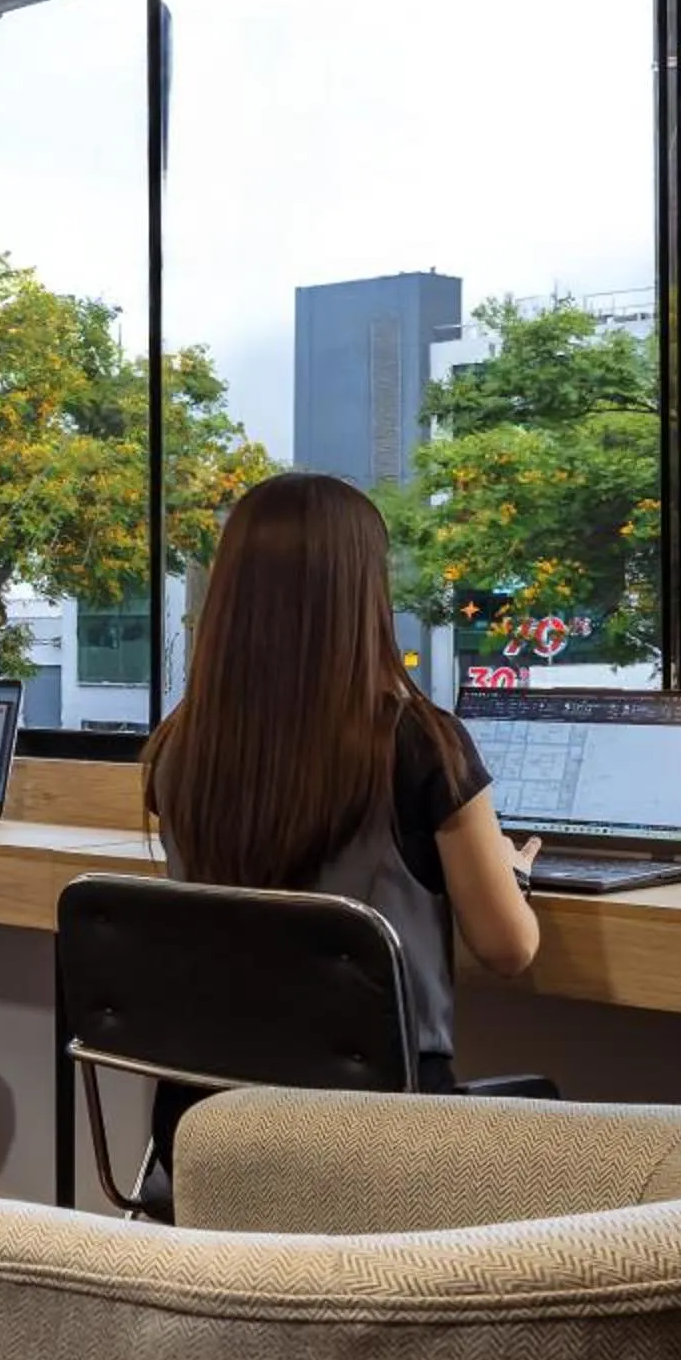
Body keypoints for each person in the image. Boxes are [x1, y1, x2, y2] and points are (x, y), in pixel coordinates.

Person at [138, 471, 544, 1185]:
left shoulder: (181, 747)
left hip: (205, 1136)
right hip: (377, 1140)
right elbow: (508, 949)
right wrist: (508, 871)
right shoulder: (419, 742)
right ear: (363, 593)